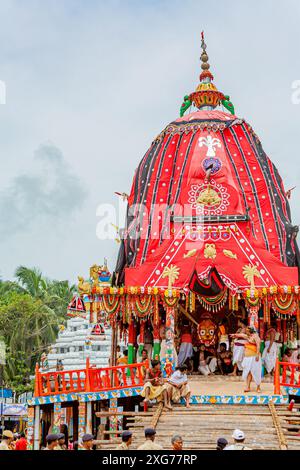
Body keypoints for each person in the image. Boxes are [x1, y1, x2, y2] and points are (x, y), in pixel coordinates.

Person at [231, 327, 262, 393]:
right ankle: (248, 387)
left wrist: (257, 355)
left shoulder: (256, 337)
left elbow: (258, 346)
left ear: (250, 331)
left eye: (247, 331)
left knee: (256, 371)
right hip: (248, 357)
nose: (246, 332)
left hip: (254, 357)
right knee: (248, 371)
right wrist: (234, 335)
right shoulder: (248, 336)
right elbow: (241, 335)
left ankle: (258, 387)